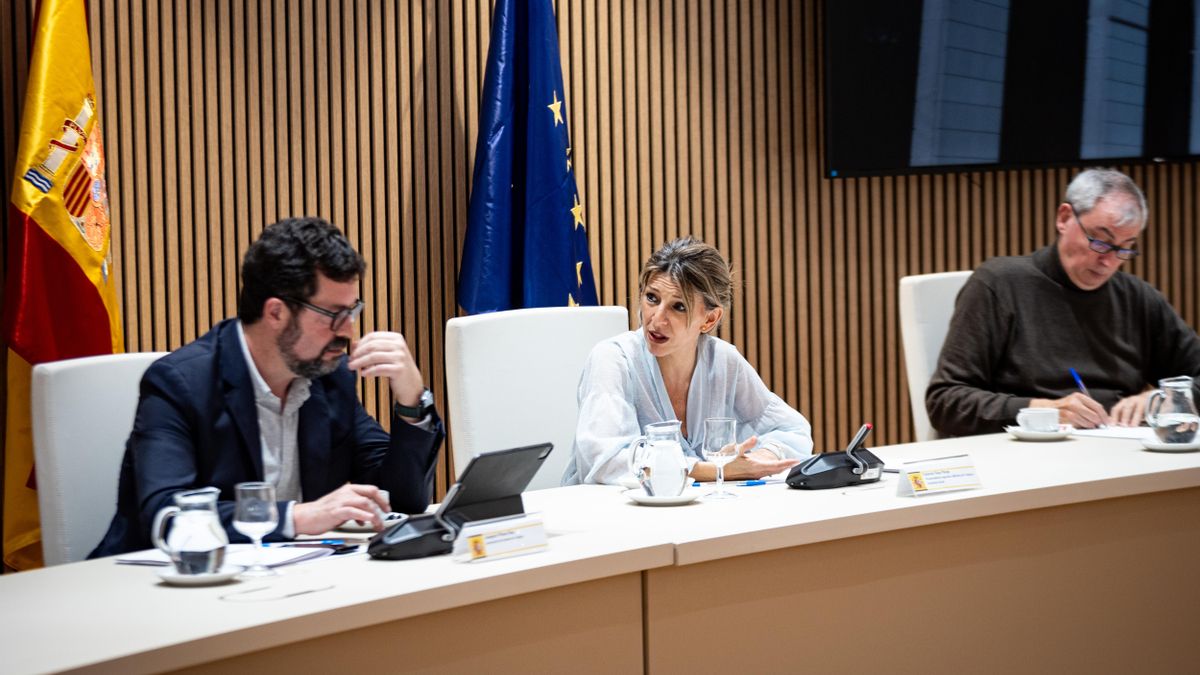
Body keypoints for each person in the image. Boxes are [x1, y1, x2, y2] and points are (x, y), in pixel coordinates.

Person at [91, 217, 443, 556]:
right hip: (159, 588)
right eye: (334, 315)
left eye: (352, 312)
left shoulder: (328, 377)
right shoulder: (179, 384)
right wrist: (299, 517)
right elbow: (167, 516)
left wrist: (411, 400)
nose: (348, 331)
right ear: (276, 313)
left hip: (288, 583)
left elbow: (399, 499)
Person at [927, 168, 1200, 437]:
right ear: (1064, 217)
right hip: (1023, 457)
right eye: (1100, 241)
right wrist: (1042, 411)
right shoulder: (999, 284)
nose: (1108, 261)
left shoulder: (1138, 298)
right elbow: (946, 401)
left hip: (1119, 453)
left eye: (1124, 248)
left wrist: (1167, 398)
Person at [563, 237, 813, 485]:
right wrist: (714, 471)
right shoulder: (613, 359)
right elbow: (606, 462)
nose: (656, 319)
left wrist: (758, 460)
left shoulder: (723, 361)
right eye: (652, 298)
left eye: (678, 307)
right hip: (610, 515)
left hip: (695, 513)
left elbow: (793, 431)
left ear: (710, 320)